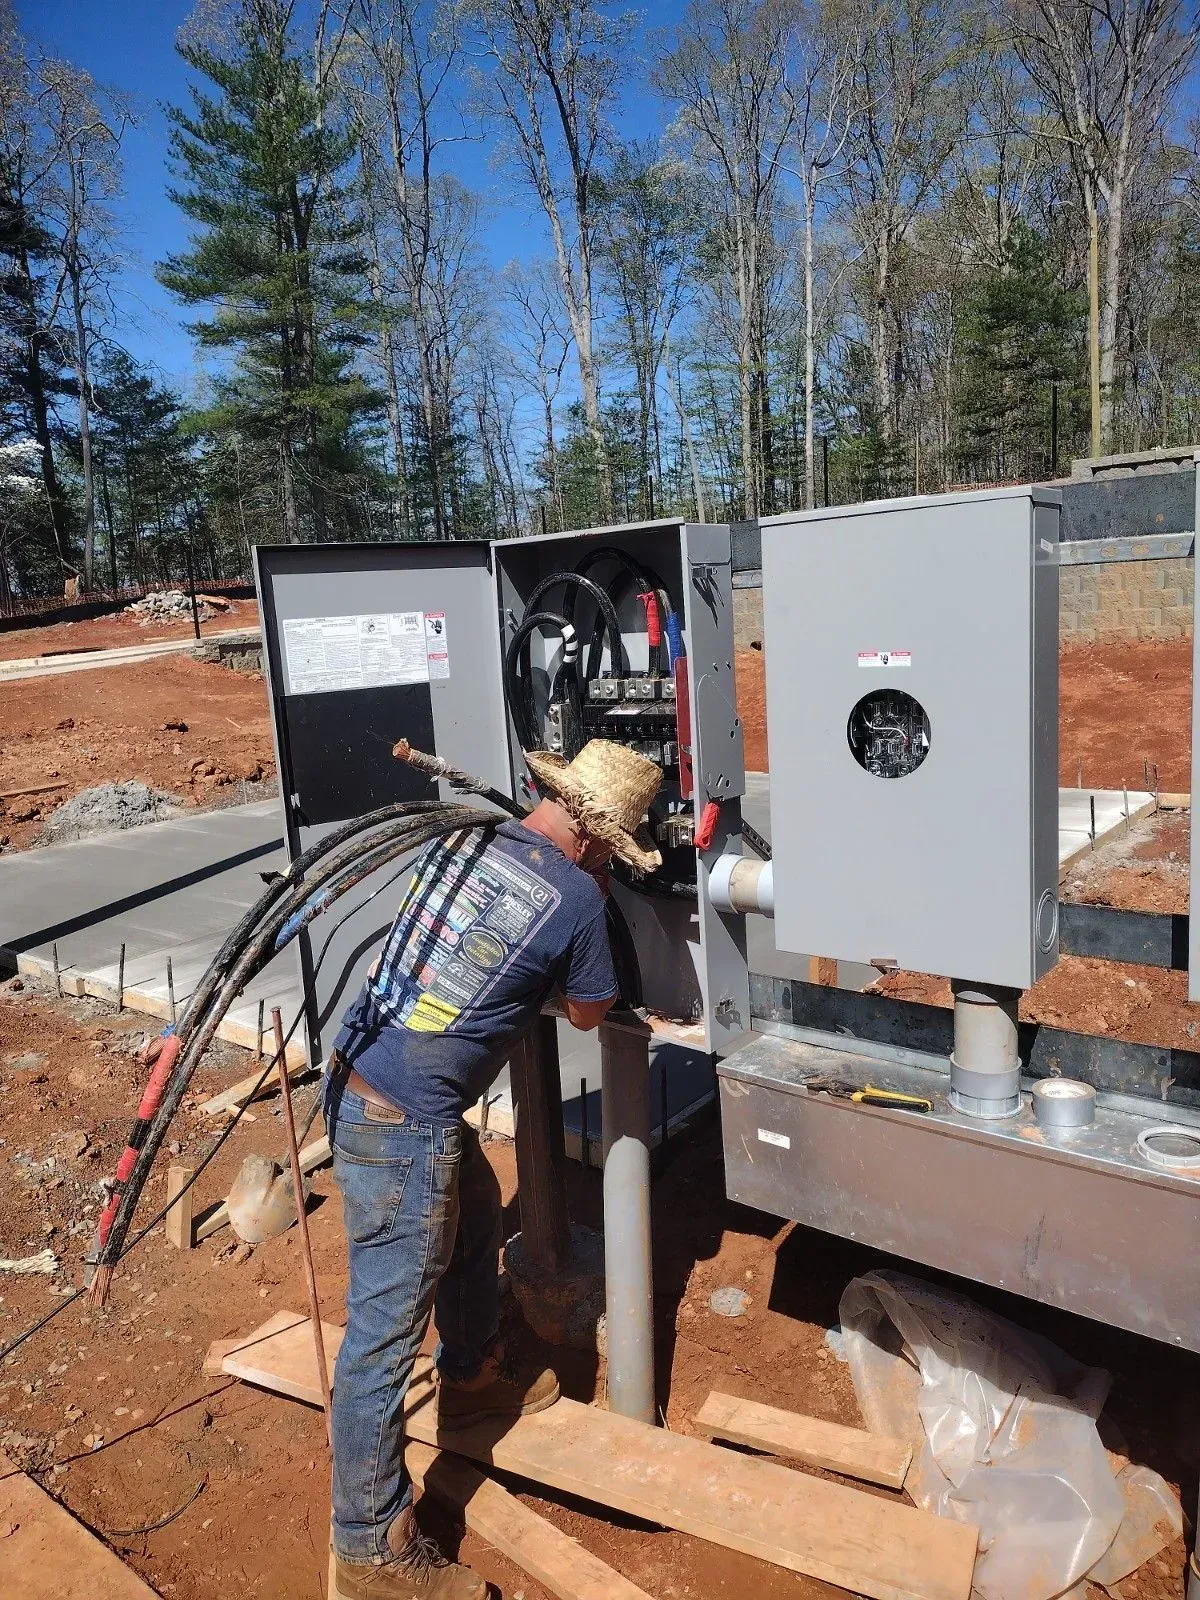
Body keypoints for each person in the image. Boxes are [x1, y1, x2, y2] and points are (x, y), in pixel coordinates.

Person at [326, 739, 663, 1600]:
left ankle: (471, 1375)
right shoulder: (581, 897)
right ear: (597, 842)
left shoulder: (467, 837)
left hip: (362, 1073)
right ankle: (368, 1548)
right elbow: (589, 1014)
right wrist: (555, 969)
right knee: (380, 1338)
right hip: (405, 1122)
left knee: (476, 1210)